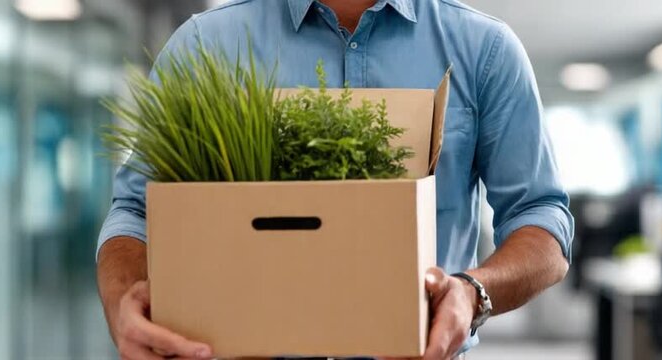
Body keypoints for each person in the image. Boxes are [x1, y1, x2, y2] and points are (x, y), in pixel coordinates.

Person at [96, 0, 574, 359]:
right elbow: (135, 211)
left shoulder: (484, 50)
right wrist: (125, 302)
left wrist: (472, 292)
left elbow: (542, 216)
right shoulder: (205, 46)